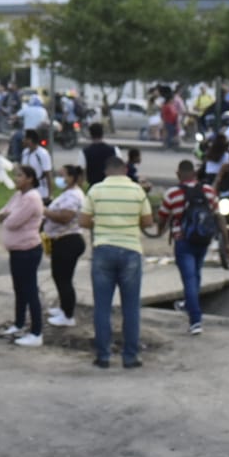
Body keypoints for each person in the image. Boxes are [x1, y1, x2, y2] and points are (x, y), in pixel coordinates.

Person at [81, 154, 153, 369]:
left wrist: (102, 223)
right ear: (125, 170)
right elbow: (148, 222)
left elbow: (83, 220)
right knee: (131, 308)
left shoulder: (96, 190)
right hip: (131, 250)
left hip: (103, 250)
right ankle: (130, 356)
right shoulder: (137, 190)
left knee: (102, 307)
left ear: (106, 171)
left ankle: (103, 356)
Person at [158, 160, 220, 336]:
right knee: (196, 274)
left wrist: (159, 230)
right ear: (194, 173)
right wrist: (227, 242)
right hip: (203, 240)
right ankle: (189, 303)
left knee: (189, 278)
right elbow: (217, 216)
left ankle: (195, 320)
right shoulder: (208, 191)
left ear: (178, 174)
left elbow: (162, 217)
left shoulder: (172, 194)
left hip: (183, 241)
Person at [0, 165, 46, 347]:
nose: (16, 179)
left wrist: (6, 216)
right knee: (19, 288)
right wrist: (6, 215)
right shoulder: (18, 196)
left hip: (28, 250)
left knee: (30, 289)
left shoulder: (31, 198)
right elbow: (1, 212)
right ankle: (19, 323)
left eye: (20, 176)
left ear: (30, 179)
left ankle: (36, 332)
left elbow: (12, 222)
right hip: (16, 250)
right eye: (16, 175)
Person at [43, 164, 86, 327]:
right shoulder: (68, 193)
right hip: (61, 240)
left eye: (62, 175)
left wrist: (45, 211)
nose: (59, 179)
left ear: (72, 178)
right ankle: (63, 308)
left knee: (64, 279)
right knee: (59, 276)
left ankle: (68, 315)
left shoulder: (73, 196)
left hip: (68, 241)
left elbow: (65, 217)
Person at [82, 122, 118, 188]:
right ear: (102, 134)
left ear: (90, 134)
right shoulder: (114, 150)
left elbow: (82, 171)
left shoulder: (84, 152)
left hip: (93, 187)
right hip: (110, 186)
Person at [19, 132, 53, 198]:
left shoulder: (43, 154)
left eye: (25, 138)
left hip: (40, 190)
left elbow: (48, 175)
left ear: (30, 140)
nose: (23, 140)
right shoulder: (25, 152)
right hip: (27, 188)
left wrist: (50, 194)